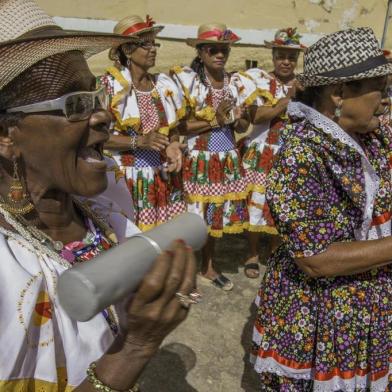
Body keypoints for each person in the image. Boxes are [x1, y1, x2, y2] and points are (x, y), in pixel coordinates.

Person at [0, 1, 198, 390]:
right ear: (7, 135)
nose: (103, 115)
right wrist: (135, 348)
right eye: (74, 104)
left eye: (94, 98)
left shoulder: (105, 201)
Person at [251, 27, 392, 391]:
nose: (386, 101)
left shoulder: (369, 135)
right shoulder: (301, 154)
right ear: (340, 93)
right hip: (323, 313)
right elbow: (317, 259)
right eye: (382, 89)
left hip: (367, 306)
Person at [171, 23, 258, 290]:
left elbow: (241, 128)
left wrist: (239, 119)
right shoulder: (190, 84)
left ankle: (208, 266)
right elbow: (180, 126)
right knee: (194, 217)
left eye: (224, 50)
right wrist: (217, 119)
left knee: (215, 217)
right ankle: (183, 269)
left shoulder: (237, 83)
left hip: (227, 157)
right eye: (213, 50)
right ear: (201, 53)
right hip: (200, 157)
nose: (219, 55)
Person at [99, 15, 187, 232]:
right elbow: (99, 137)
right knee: (131, 239)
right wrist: (139, 141)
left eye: (153, 44)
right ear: (127, 50)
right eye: (145, 45)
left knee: (162, 239)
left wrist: (173, 145)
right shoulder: (110, 87)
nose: (153, 49)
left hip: (160, 175)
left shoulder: (162, 85)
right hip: (126, 179)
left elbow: (172, 130)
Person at [242, 28, 305, 278]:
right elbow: (256, 116)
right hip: (261, 152)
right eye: (281, 56)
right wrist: (285, 101)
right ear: (274, 56)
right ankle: (252, 253)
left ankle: (275, 252)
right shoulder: (260, 81)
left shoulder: (304, 85)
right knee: (256, 206)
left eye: (291, 57)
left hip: (290, 154)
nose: (286, 62)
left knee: (283, 206)